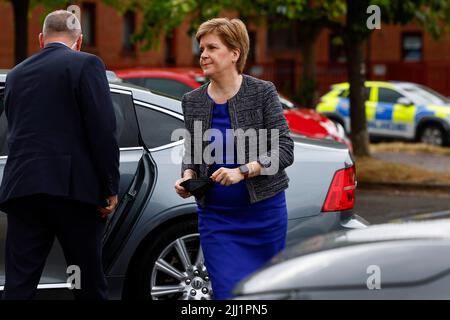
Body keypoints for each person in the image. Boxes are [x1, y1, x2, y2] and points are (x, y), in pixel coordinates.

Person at [0, 10, 119, 300]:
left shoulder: (15, 74)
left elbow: (16, 127)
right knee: (86, 283)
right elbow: (102, 131)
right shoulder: (87, 64)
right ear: (79, 41)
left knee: (19, 284)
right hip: (73, 192)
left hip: (23, 189)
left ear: (41, 39)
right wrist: (109, 188)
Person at [174, 17, 294, 299]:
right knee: (227, 293)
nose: (203, 55)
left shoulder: (262, 92)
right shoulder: (192, 100)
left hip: (264, 215)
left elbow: (285, 149)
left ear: (235, 53)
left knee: (263, 294)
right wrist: (188, 177)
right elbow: (192, 154)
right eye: (201, 48)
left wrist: (243, 171)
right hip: (217, 219)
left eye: (212, 48)